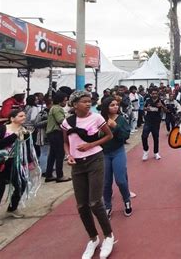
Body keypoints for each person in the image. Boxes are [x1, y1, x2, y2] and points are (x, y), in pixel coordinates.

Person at [62, 91, 115, 259]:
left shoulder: (97, 118)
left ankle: (108, 236)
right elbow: (65, 142)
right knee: (82, 205)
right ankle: (93, 238)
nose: (87, 104)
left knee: (95, 202)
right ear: (74, 104)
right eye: (84, 102)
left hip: (95, 160)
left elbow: (109, 135)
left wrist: (91, 144)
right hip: (77, 164)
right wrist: (68, 155)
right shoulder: (67, 122)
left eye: (89, 101)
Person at [0, 110, 41, 225]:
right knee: (0, 187)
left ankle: (12, 208)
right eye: (20, 116)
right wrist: (14, 136)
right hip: (1, 161)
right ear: (12, 118)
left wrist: (30, 161)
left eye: (24, 115)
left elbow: (27, 147)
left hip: (16, 161)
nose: (24, 117)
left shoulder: (24, 130)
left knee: (21, 183)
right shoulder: (3, 129)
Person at [100, 97, 132, 219]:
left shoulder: (121, 119)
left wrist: (116, 126)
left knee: (120, 180)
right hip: (104, 154)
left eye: (116, 105)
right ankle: (107, 205)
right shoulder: (100, 119)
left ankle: (127, 200)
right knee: (106, 182)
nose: (115, 107)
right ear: (105, 107)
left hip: (118, 151)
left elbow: (125, 136)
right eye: (112, 105)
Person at [44, 91, 71, 183]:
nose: (65, 103)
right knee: (60, 154)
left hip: (52, 133)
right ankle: (60, 176)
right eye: (65, 101)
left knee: (52, 155)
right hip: (56, 133)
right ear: (60, 101)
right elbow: (61, 121)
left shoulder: (54, 108)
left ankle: (49, 175)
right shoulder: (57, 108)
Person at [141, 88, 164, 161]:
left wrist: (162, 106)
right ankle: (145, 151)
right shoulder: (148, 100)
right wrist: (146, 109)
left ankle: (156, 153)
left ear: (158, 94)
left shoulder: (161, 101)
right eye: (153, 93)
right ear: (151, 94)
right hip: (148, 121)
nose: (154, 95)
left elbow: (167, 110)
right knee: (144, 136)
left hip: (156, 122)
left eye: (155, 93)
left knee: (155, 137)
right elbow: (143, 108)